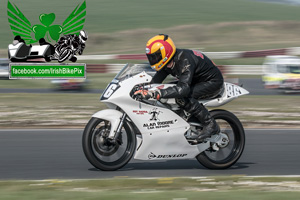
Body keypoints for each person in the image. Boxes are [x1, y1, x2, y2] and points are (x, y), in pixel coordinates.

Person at [134, 34, 224, 141]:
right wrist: (141, 87)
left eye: (156, 56)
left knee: (181, 95)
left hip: (212, 82)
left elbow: (183, 89)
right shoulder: (167, 62)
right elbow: (155, 82)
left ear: (165, 52)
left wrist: (156, 93)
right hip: (196, 80)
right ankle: (182, 117)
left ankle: (210, 123)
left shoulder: (184, 60)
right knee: (170, 89)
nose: (153, 59)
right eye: (151, 57)